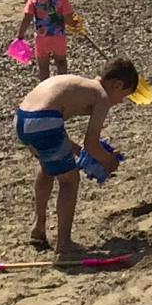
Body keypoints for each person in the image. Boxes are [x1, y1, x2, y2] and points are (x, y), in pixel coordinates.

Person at [15, 61, 137, 257]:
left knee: (47, 168)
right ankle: (64, 242)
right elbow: (92, 143)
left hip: (22, 119)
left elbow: (56, 130)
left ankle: (39, 226)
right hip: (44, 121)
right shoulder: (102, 96)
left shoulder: (79, 84)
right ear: (117, 85)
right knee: (70, 180)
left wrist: (80, 152)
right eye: (123, 96)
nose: (120, 102)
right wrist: (108, 161)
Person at [15, 0, 73, 82]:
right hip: (58, 37)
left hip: (41, 39)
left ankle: (44, 89)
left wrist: (20, 35)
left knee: (43, 66)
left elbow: (27, 17)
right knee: (61, 62)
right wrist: (76, 25)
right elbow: (68, 18)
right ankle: (62, 86)